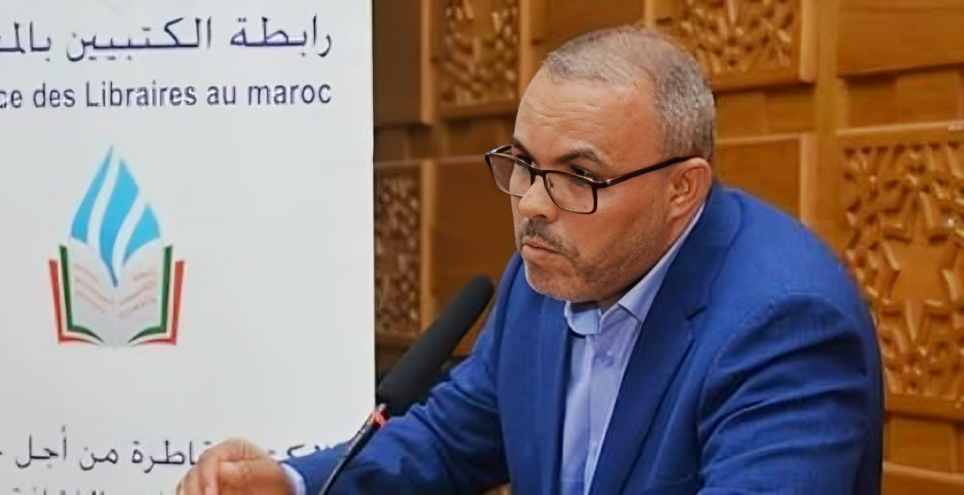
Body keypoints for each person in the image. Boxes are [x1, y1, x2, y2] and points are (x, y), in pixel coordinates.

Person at [176, 24, 883, 495]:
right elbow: (455, 436)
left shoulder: (785, 324)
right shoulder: (550, 267)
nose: (533, 204)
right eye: (523, 164)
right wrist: (292, 483)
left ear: (681, 189)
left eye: (580, 175)